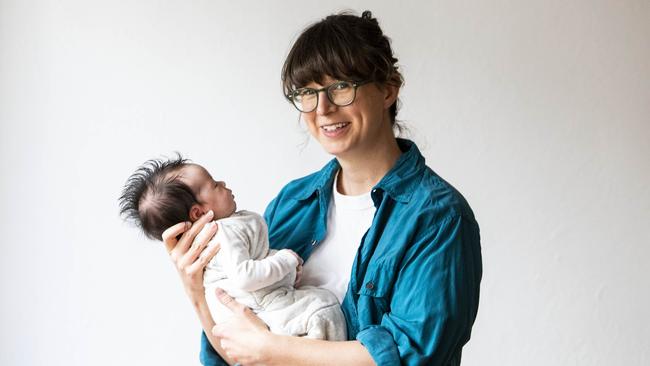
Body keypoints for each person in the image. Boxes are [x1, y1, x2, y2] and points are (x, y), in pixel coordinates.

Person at [162, 10, 482, 365]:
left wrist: (275, 350)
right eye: (307, 93)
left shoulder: (437, 216)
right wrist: (195, 292)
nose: (323, 109)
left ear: (388, 89)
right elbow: (234, 352)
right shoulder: (293, 202)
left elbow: (415, 355)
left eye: (341, 86)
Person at [118, 157, 347, 341]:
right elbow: (245, 277)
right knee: (323, 308)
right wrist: (286, 260)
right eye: (215, 185)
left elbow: (257, 258)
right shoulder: (224, 232)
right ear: (198, 213)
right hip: (260, 307)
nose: (224, 183)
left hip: (258, 310)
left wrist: (282, 268)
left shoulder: (222, 233)